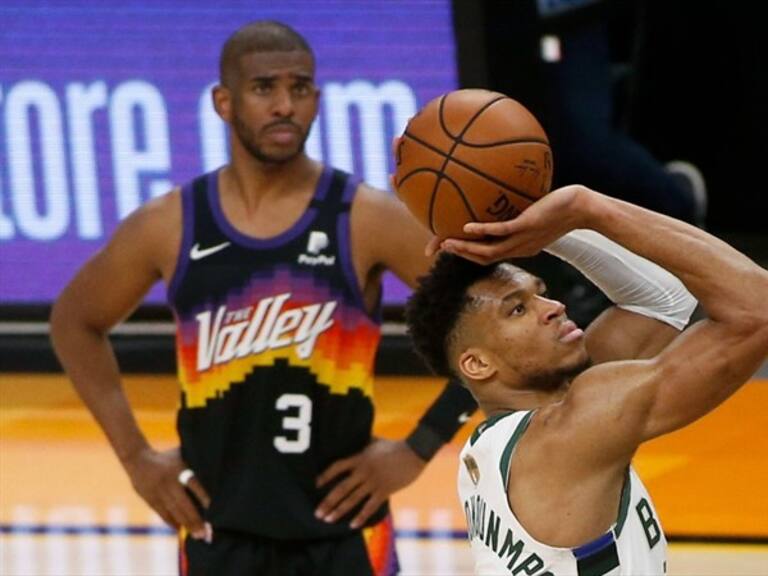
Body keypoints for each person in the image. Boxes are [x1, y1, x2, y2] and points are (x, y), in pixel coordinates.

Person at [49, 20, 477, 575]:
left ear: (318, 100)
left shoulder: (364, 217)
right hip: (216, 533)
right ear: (223, 102)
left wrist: (419, 446)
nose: (284, 105)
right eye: (263, 88)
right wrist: (136, 458)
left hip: (343, 539)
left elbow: (494, 322)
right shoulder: (170, 224)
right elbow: (73, 322)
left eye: (299, 89)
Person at [405, 184, 768, 575]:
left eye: (540, 294)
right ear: (477, 364)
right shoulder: (571, 431)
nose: (554, 307)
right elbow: (757, 308)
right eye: (517, 310)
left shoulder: (496, 444)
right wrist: (588, 209)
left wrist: (551, 230)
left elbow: (664, 301)